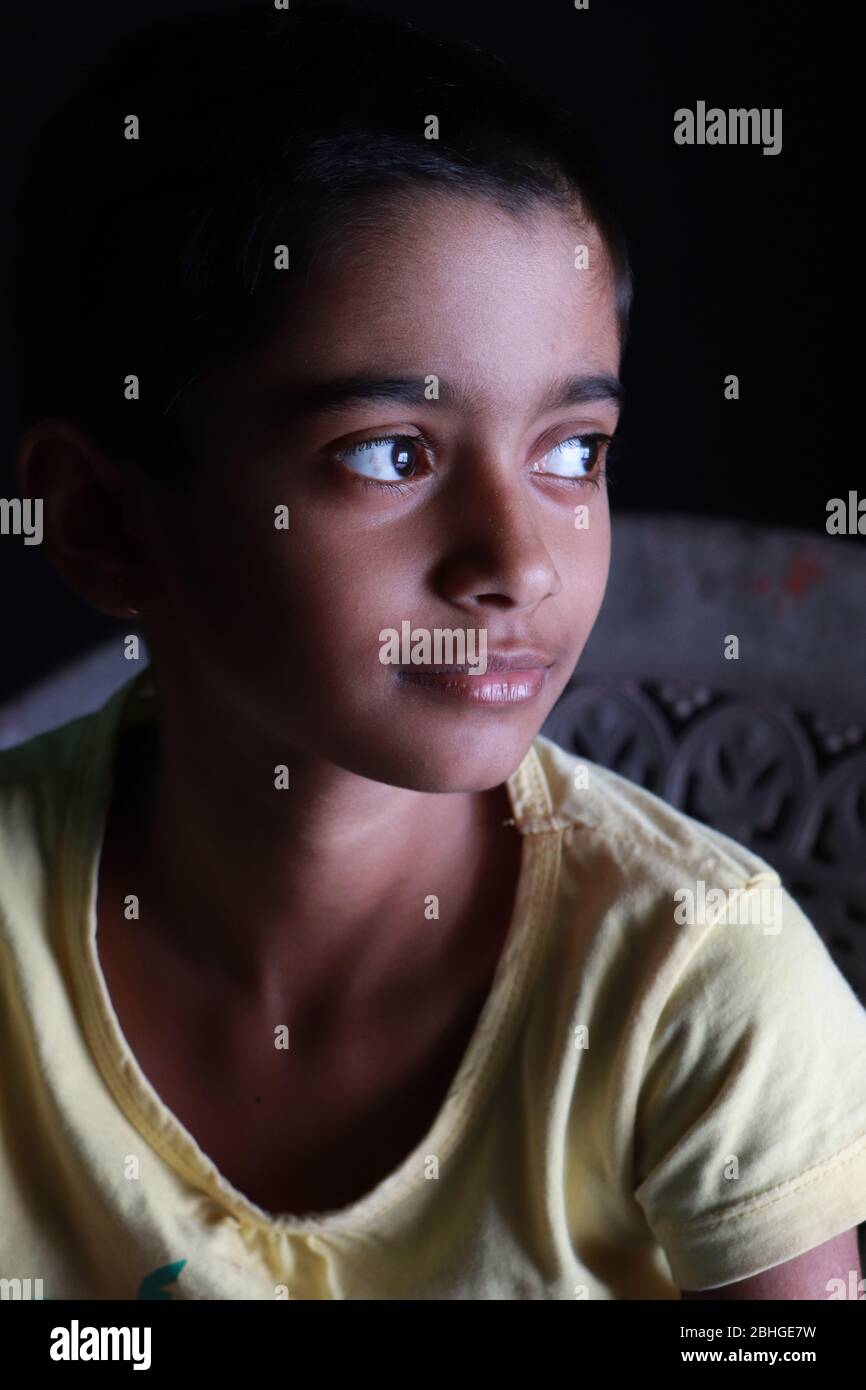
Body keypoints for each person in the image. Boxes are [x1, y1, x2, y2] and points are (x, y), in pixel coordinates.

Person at [2, 1, 865, 1301]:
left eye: (572, 452)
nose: (515, 561)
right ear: (105, 522)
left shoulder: (696, 973)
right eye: (389, 455)